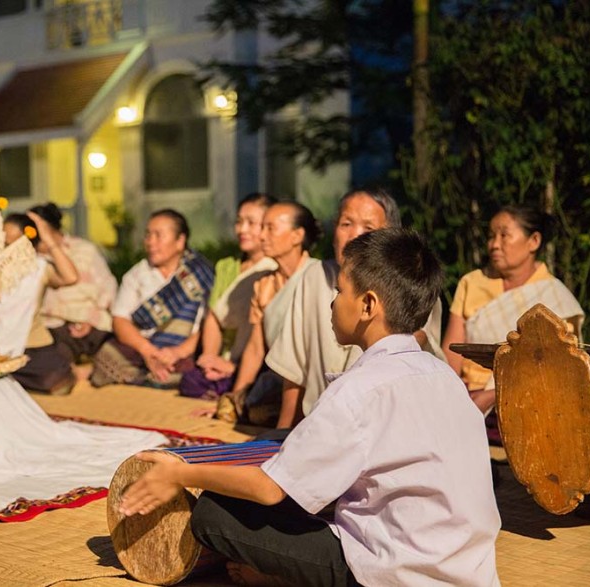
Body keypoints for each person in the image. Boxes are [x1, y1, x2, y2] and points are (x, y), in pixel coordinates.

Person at [119, 229, 501, 587]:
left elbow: (270, 490)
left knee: (214, 515)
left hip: (393, 570)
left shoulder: (359, 389)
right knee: (280, 440)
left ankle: (286, 576)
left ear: (368, 305)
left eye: (339, 292)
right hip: (468, 565)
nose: (333, 303)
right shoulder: (443, 376)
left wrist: (181, 473)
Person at [266, 188, 444, 429]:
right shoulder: (313, 277)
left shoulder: (409, 286)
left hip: (382, 428)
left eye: (368, 228)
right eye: (346, 223)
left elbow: (419, 349)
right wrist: (283, 435)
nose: (354, 236)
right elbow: (294, 370)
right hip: (318, 426)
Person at [442, 205, 584, 414]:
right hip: (466, 395)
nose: (494, 245)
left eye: (504, 236)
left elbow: (556, 367)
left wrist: (493, 396)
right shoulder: (471, 282)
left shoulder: (555, 297)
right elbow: (451, 352)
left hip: (527, 400)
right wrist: (450, 394)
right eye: (491, 236)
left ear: (534, 241)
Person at [211, 201, 321, 425]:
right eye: (263, 228)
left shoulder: (319, 277)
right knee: (251, 408)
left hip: (312, 380)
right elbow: (255, 347)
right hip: (277, 380)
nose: (262, 236)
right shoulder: (264, 285)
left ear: (297, 235)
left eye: (270, 228)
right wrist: (235, 397)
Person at [91, 209, 214, 388]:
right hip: (143, 349)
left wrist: (177, 352)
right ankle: (151, 375)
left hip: (185, 350)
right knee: (108, 354)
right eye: (148, 235)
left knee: (194, 370)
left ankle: (153, 377)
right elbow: (120, 320)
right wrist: (148, 352)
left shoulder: (200, 274)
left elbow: (209, 324)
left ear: (180, 241)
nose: (150, 242)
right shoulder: (137, 275)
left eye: (158, 235)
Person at [178, 194, 277, 399]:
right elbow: (214, 316)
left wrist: (233, 366)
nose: (242, 229)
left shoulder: (275, 270)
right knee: (190, 381)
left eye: (251, 223)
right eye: (239, 221)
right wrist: (210, 357)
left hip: (254, 362)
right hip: (221, 354)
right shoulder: (227, 266)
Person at [0, 211, 79, 395]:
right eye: (4, 243)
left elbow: (71, 277)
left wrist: (49, 239)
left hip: (30, 347)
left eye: (14, 244)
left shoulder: (39, 268)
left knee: (56, 381)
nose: (7, 250)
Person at [28, 203, 117, 363]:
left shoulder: (84, 250)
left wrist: (90, 320)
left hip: (91, 323)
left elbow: (108, 289)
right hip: (52, 327)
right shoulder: (29, 258)